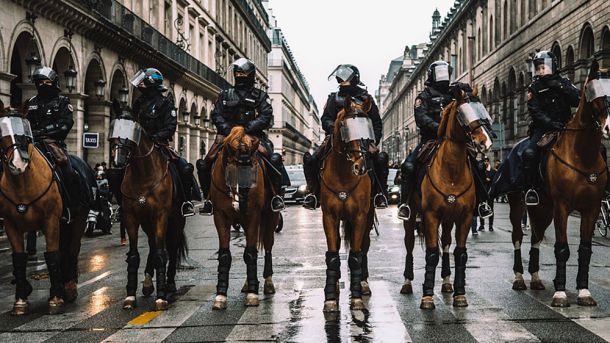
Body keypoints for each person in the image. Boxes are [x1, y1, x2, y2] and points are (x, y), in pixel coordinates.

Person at [396, 60, 494, 220]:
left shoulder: (453, 93)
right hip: (430, 139)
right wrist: (441, 128)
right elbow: (421, 118)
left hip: (455, 139)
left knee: (477, 165)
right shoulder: (423, 97)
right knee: (408, 166)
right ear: (432, 76)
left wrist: (466, 89)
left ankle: (482, 202)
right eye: (439, 73)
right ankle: (405, 204)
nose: (443, 77)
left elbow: (467, 108)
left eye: (445, 73)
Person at [196, 58, 289, 215]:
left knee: (274, 160)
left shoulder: (260, 95)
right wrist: (230, 131)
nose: (239, 76)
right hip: (227, 137)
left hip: (254, 137)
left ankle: (276, 196)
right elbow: (216, 114)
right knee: (204, 163)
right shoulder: (225, 95)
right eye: (237, 73)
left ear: (250, 75)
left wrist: (247, 129)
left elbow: (265, 115)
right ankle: (208, 199)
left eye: (242, 73)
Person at [302, 64, 388, 210]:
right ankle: (313, 193)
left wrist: (373, 141)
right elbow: (326, 119)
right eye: (340, 80)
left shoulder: (367, 99)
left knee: (380, 160)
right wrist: (334, 128)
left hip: (361, 139)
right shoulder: (333, 98)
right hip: (336, 139)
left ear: (354, 79)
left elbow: (376, 123)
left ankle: (380, 194)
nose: (342, 83)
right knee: (311, 160)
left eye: (345, 80)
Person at [131, 68, 202, 216]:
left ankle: (186, 201)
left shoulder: (165, 104)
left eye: (143, 83)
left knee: (184, 168)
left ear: (151, 83)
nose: (140, 86)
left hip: (159, 145)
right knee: (119, 170)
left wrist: (155, 137)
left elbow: (170, 126)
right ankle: (122, 204)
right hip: (138, 145)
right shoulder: (139, 103)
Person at [522, 51, 580, 206]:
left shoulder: (564, 81)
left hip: (567, 126)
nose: (541, 71)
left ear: (553, 66)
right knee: (529, 153)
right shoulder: (534, 87)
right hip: (543, 129)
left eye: (543, 67)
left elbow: (578, 100)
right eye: (538, 68)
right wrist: (550, 123)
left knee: (596, 147)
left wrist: (561, 87)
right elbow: (535, 110)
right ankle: (532, 189)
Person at [27, 66, 80, 212]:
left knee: (68, 170)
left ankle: (72, 205)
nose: (42, 85)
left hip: (53, 144)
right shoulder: (31, 102)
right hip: (31, 142)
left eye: (46, 82)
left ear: (54, 82)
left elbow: (66, 124)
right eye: (39, 82)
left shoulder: (62, 101)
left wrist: (44, 131)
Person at [477, 158, 495, 232]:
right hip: (482, 193)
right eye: (484, 161)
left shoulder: (493, 171)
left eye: (487, 161)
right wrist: (485, 179)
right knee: (482, 208)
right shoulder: (481, 171)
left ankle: (491, 225)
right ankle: (482, 225)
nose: (486, 163)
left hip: (490, 192)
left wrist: (490, 180)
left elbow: (494, 182)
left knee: (491, 209)